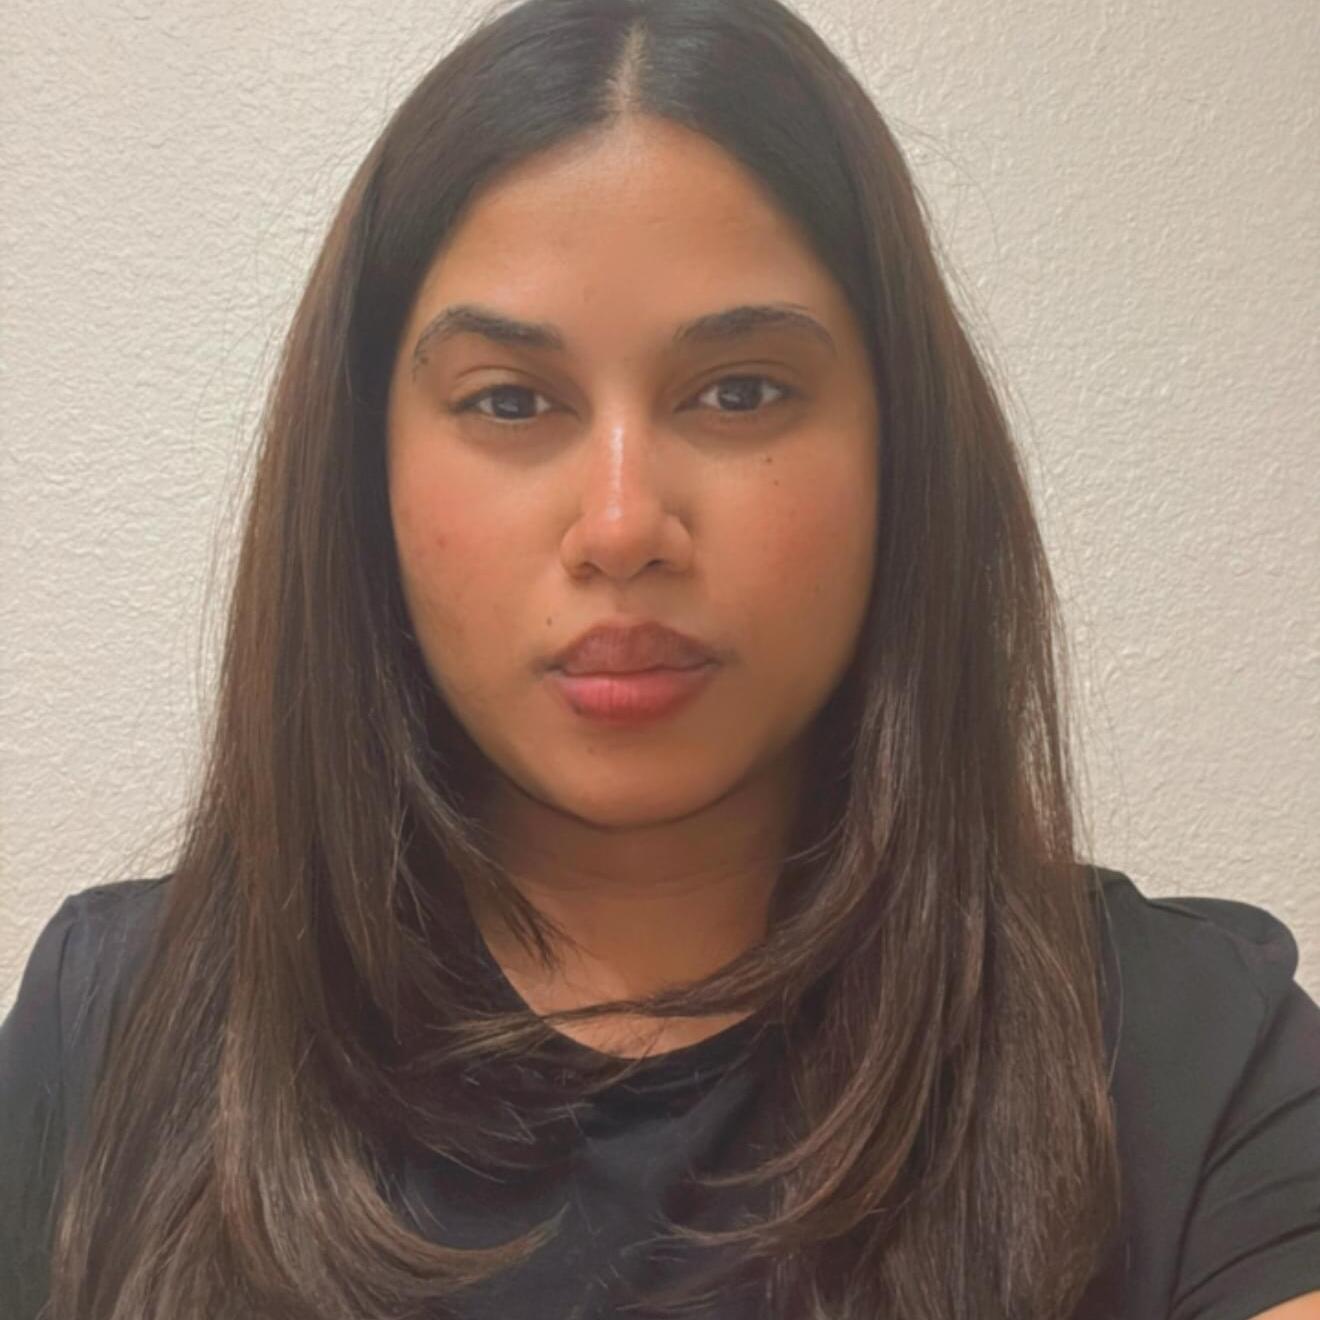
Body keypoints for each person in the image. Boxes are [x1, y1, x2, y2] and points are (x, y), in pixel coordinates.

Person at [2, 0, 1318, 1316]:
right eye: (509, 400)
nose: (624, 525)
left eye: (740, 391)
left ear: (900, 450)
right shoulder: (116, 1024)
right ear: (365, 472)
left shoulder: (1189, 1062)